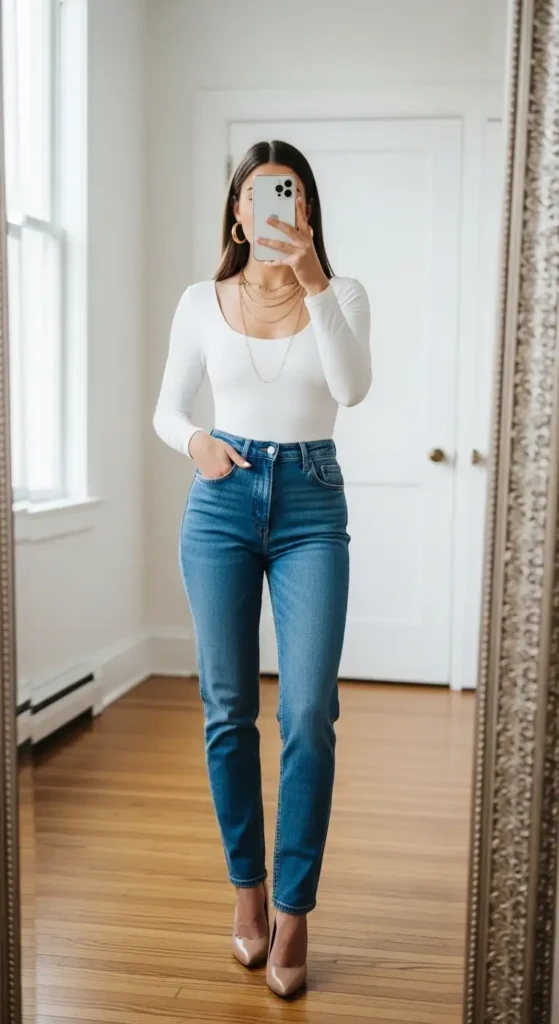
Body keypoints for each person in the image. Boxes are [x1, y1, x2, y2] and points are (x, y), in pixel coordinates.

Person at [153, 139, 371, 998]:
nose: (275, 204)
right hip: (221, 500)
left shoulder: (342, 295)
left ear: (305, 208)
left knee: (309, 712)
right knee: (227, 709)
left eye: (290, 192)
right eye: (258, 192)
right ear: (238, 212)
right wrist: (196, 442)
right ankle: (246, 890)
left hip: (312, 504)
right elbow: (168, 409)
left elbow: (350, 390)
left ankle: (293, 906)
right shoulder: (199, 301)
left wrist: (312, 280)